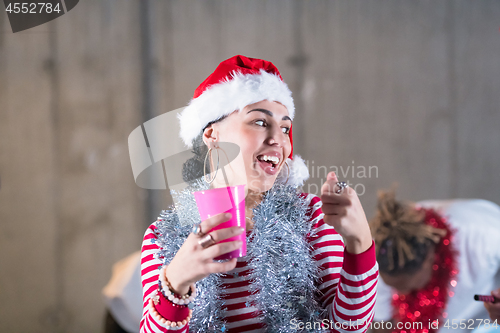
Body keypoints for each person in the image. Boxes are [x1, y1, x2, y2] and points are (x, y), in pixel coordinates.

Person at [140, 55, 379, 332]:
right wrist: (175, 283)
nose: (278, 138)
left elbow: (347, 328)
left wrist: (360, 241)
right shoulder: (164, 237)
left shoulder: (313, 216)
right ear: (211, 134)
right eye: (260, 122)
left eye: (285, 127)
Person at [370, 190, 500, 333]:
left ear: (429, 260)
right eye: (394, 287)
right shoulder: (384, 251)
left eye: (411, 287)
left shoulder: (486, 237)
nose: (401, 292)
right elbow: (381, 324)